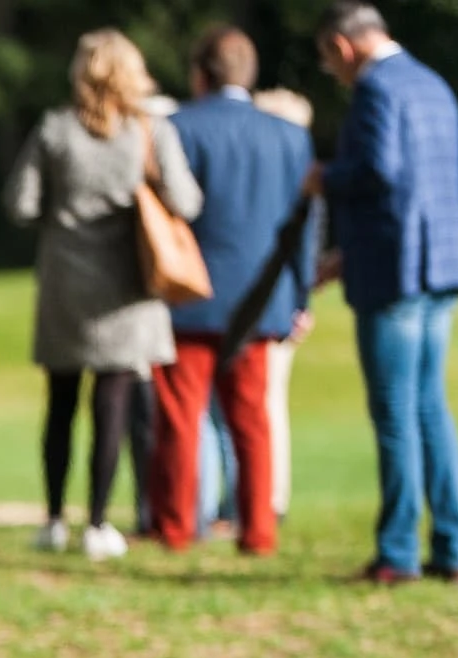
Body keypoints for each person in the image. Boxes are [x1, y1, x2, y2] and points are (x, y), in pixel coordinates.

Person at [5, 28, 200, 560]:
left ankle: (51, 519)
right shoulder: (149, 131)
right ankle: (97, 522)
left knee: (61, 404)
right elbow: (187, 201)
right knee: (112, 403)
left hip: (67, 286)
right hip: (127, 290)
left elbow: (20, 204)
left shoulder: (55, 128)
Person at [312, 2, 458, 583]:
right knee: (431, 408)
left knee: (395, 413)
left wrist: (324, 177)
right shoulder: (433, 84)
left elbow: (381, 173)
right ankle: (452, 548)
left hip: (396, 271)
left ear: (343, 46)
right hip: (441, 265)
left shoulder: (376, 90)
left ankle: (398, 553)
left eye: (329, 59)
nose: (334, 71)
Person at [148, 27, 316, 557]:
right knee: (253, 423)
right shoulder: (290, 137)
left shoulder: (174, 129)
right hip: (261, 301)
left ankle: (176, 530)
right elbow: (306, 224)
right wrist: (300, 297)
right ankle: (258, 533)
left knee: (180, 420)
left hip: (188, 297)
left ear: (200, 73)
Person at [253, 87, 317, 517]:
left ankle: (269, 498)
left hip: (277, 303)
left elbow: (305, 249)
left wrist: (301, 302)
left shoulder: (300, 188)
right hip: (279, 300)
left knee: (266, 401)